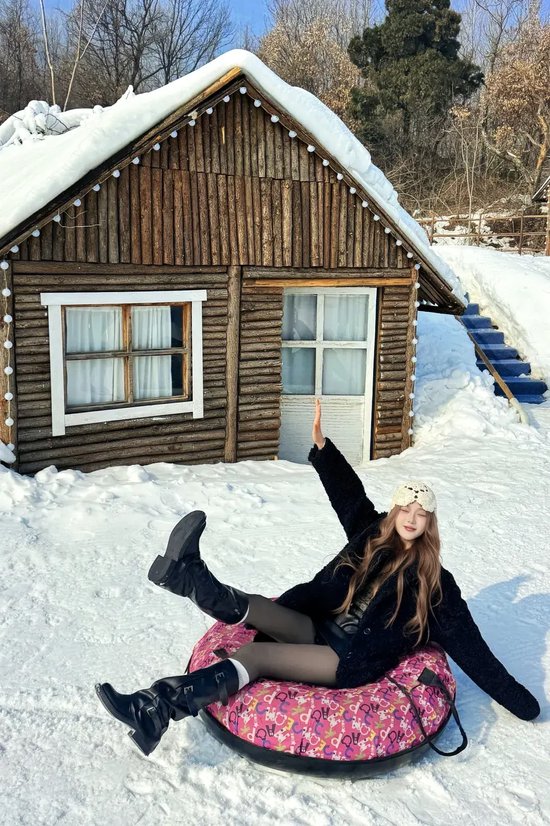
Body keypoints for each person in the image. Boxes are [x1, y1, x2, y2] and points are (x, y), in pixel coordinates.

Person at [96, 400, 540, 757]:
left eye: (420, 514)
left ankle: (155, 707)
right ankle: (189, 577)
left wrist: (523, 704)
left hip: (343, 658)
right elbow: (349, 497)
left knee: (257, 655)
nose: (411, 518)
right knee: (260, 607)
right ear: (394, 511)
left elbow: (474, 652)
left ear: (429, 523)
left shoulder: (436, 584)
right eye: (405, 509)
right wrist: (323, 448)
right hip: (318, 626)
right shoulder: (372, 533)